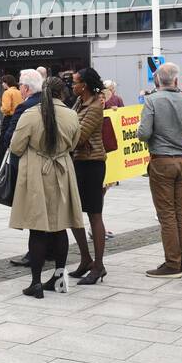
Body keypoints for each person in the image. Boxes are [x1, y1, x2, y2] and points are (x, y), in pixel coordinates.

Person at [11, 76, 84, 297]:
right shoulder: (71, 115)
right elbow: (73, 143)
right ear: (62, 94)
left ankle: (35, 282)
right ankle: (59, 279)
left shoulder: (30, 114)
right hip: (62, 170)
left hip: (37, 172)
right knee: (61, 227)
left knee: (37, 228)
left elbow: (15, 146)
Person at [137, 63, 182, 278]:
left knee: (166, 214)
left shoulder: (152, 101)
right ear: (176, 81)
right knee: (181, 212)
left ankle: (172, 263)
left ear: (158, 82)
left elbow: (143, 133)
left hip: (162, 161)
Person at [69, 68, 109, 284]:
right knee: (73, 213)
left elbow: (80, 136)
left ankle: (99, 265)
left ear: (84, 85)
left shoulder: (94, 107)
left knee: (94, 214)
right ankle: (85, 259)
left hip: (92, 164)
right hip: (78, 163)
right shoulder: (78, 103)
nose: (72, 86)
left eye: (75, 82)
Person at [5, 71, 47, 268]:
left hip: (28, 165)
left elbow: (12, 139)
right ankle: (50, 250)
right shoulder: (49, 104)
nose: (20, 87)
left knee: (32, 212)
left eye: (21, 84)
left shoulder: (25, 107)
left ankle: (34, 254)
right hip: (51, 165)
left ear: (27, 88)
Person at [0, 73, 24, 176]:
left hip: (9, 119)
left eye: (3, 82)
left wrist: (1, 108)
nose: (2, 84)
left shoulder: (7, 93)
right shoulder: (19, 92)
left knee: (2, 143)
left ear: (6, 83)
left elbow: (6, 108)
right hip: (19, 118)